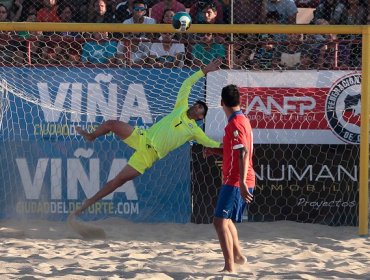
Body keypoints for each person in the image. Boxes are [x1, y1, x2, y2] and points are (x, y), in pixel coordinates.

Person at [71, 59, 222, 216]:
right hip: (142, 137)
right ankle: (91, 136)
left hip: (149, 155)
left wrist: (225, 144)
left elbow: (210, 142)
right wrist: (204, 71)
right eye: (198, 105)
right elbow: (187, 84)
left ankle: (86, 204)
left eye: (201, 109)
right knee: (111, 124)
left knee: (117, 181)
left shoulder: (195, 131)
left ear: (200, 118)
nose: (198, 107)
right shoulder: (181, 107)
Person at [203, 84, 255, 273]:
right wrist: (214, 150)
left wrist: (241, 183)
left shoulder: (235, 123)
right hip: (236, 178)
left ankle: (229, 267)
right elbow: (232, 151)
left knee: (219, 222)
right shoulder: (242, 119)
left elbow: (243, 152)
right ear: (240, 102)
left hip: (236, 180)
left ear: (221, 103)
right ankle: (239, 256)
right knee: (227, 220)